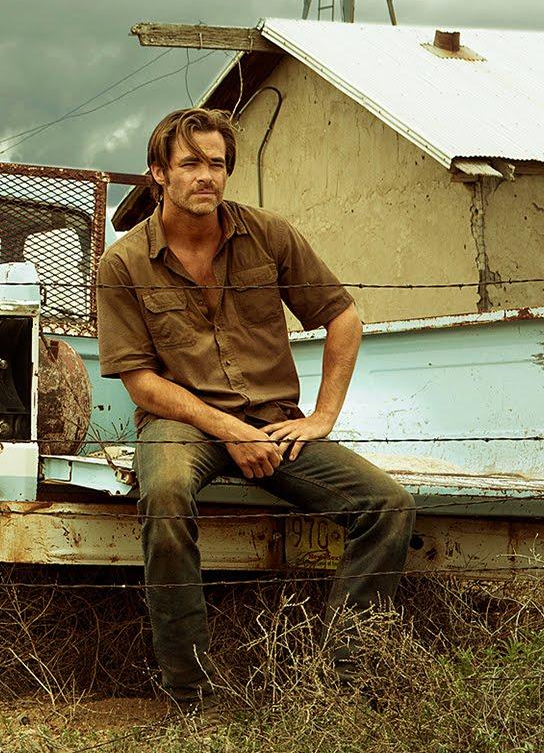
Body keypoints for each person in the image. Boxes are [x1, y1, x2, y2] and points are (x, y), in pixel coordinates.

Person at [95, 107, 415, 709]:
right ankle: (189, 691)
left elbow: (343, 317)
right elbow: (141, 383)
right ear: (158, 173)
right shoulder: (124, 263)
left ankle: (345, 680)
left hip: (274, 420)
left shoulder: (269, 235)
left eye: (216, 164)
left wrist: (321, 418)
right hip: (181, 422)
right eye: (190, 163)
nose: (206, 177)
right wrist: (229, 431)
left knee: (387, 504)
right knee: (163, 496)